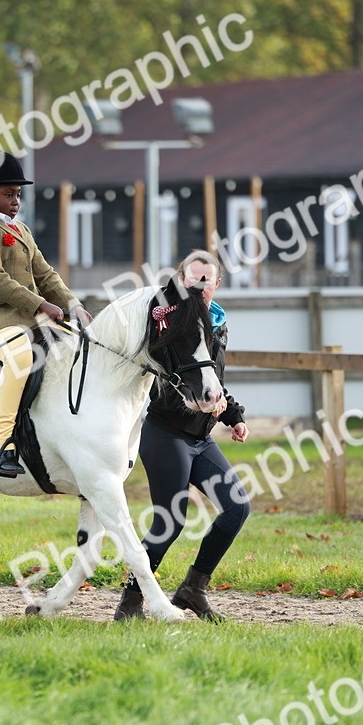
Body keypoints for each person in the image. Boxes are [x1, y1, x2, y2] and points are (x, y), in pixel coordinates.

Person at [114, 250, 251, 622]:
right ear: (180, 280)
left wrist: (233, 414)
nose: (200, 286)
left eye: (207, 280)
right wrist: (200, 403)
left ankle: (193, 588)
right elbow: (163, 380)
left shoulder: (217, 323)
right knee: (170, 521)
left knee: (237, 507)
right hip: (166, 434)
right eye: (193, 280)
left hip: (201, 439)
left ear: (217, 284)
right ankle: (130, 600)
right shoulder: (164, 320)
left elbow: (213, 381)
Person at [0, 150, 91, 478]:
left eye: (18, 195)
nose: (16, 201)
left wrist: (72, 304)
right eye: (9, 194)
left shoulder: (21, 230)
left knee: (77, 347)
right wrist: (41, 305)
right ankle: (2, 445)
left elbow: (45, 275)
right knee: (21, 358)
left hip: (28, 320)